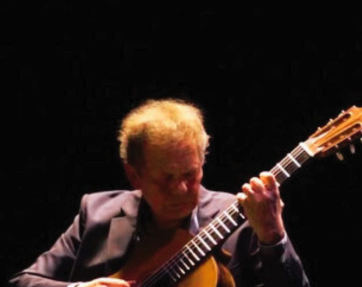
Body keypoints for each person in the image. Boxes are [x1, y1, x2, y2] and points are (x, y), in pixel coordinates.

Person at [9, 98, 310, 287]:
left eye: (190, 175)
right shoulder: (97, 211)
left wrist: (273, 236)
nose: (180, 189)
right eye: (166, 178)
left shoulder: (245, 217)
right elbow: (24, 281)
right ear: (134, 174)